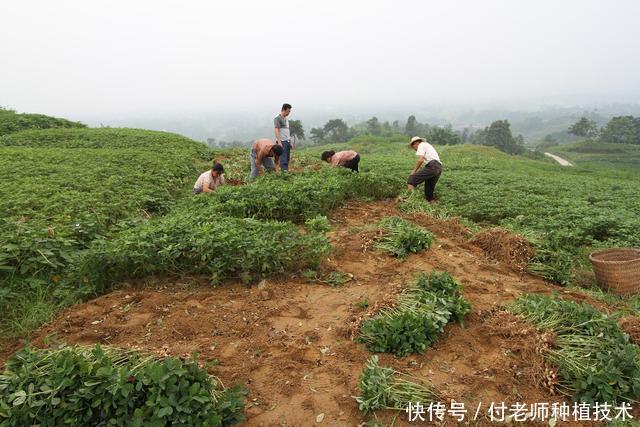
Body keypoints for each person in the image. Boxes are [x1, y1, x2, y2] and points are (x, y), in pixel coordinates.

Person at [407, 136, 442, 202]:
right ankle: (431, 202)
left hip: (433, 165)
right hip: (438, 167)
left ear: (416, 144)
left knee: (412, 178)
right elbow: (427, 163)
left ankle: (409, 200)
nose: (414, 149)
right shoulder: (427, 145)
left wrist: (414, 171)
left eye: (413, 147)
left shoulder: (421, 145)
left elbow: (420, 160)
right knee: (429, 189)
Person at [274, 103, 293, 172]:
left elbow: (287, 131)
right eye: (288, 111)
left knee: (287, 158)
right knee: (283, 158)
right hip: (282, 141)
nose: (289, 113)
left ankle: (286, 171)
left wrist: (290, 141)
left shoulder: (286, 119)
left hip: (287, 141)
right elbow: (276, 130)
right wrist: (279, 142)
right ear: (283, 110)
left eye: (289, 111)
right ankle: (284, 173)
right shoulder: (277, 118)